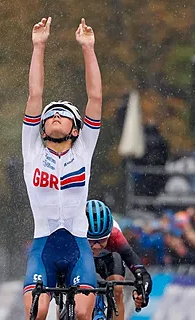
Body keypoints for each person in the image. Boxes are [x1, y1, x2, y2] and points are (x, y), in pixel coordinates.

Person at [22, 16, 102, 320]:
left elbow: (95, 97)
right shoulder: (32, 149)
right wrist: (38, 46)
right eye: (50, 115)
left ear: (77, 129)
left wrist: (88, 48)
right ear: (42, 129)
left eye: (63, 114)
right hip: (43, 247)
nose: (55, 116)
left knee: (83, 314)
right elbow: (35, 95)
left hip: (78, 248)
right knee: (37, 311)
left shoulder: (83, 150)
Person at [85, 200, 152, 320]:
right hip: (83, 257)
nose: (96, 246)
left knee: (117, 290)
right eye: (91, 240)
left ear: (109, 234)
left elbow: (140, 271)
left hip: (109, 257)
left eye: (101, 240)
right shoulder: (75, 233)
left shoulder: (115, 235)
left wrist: (143, 293)